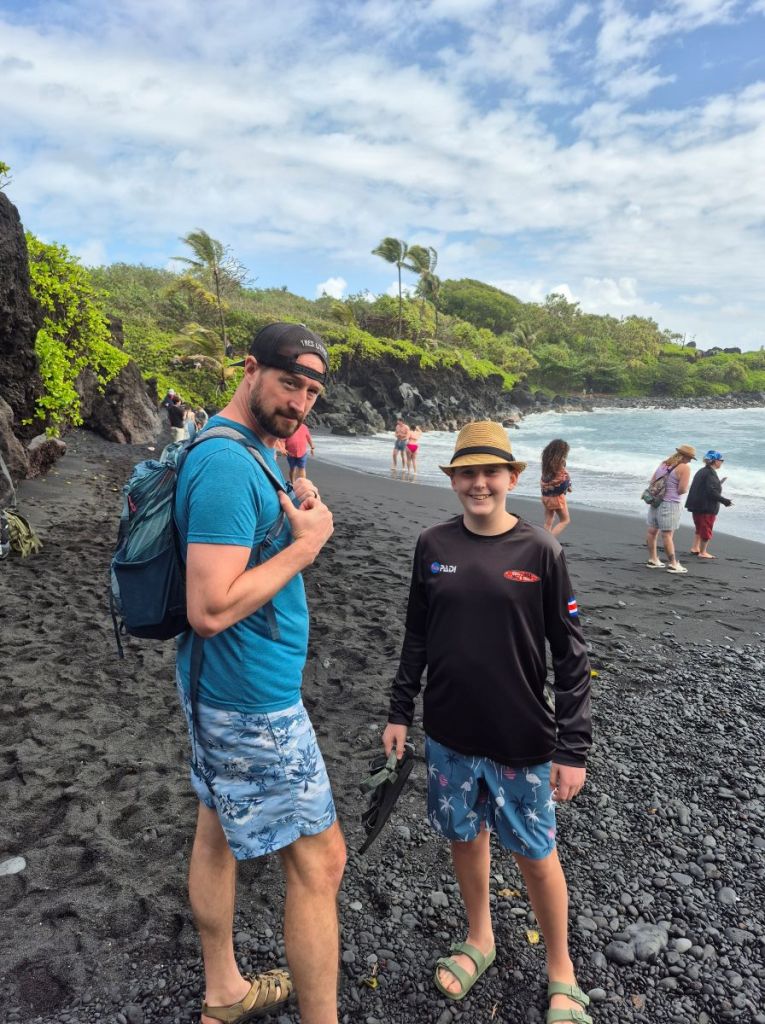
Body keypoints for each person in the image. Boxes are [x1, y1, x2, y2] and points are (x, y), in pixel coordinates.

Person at [382, 421, 593, 1024]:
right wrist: (401, 710)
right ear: (452, 480)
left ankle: (561, 969)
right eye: (466, 473)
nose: (479, 483)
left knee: (536, 850)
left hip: (521, 738)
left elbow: (572, 655)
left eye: (489, 472)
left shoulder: (541, 551)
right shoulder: (433, 545)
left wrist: (572, 747)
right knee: (464, 836)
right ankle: (481, 937)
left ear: (512, 477)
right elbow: (416, 635)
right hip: (448, 735)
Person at [174, 322, 346, 1024]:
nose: (299, 401)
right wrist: (307, 547)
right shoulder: (225, 465)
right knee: (319, 863)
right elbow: (209, 607)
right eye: (288, 382)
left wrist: (293, 517)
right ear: (249, 368)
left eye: (311, 391)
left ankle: (223, 991)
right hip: (251, 701)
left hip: (221, 688)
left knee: (215, 826)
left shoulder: (249, 451)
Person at [645, 443, 696, 574]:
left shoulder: (664, 463)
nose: (690, 460)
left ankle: (653, 559)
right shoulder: (684, 468)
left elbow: (652, 481)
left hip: (656, 500)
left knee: (652, 531)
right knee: (667, 535)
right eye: (690, 458)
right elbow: (682, 489)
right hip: (671, 503)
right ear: (685, 456)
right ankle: (673, 563)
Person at [686, 450, 733, 559]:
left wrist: (719, 483)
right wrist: (726, 501)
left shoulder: (702, 471)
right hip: (706, 507)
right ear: (715, 461)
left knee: (699, 528)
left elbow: (706, 487)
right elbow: (711, 492)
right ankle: (703, 552)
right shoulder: (710, 473)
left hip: (696, 506)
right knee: (706, 529)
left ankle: (695, 548)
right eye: (721, 460)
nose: (722, 462)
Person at [540, 439, 572, 536]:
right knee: (565, 520)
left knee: (548, 521)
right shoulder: (560, 462)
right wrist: (569, 486)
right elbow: (564, 477)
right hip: (556, 496)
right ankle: (549, 542)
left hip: (545, 494)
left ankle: (544, 541)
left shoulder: (546, 461)